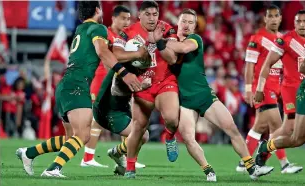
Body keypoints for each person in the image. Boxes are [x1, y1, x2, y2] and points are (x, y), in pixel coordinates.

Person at [16, 1, 141, 178]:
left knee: (71, 140)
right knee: (83, 135)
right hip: (77, 84)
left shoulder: (81, 29)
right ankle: (53, 169)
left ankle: (28, 153)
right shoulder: (98, 28)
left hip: (65, 84)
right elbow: (103, 52)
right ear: (98, 10)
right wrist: (124, 72)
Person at [152, 8, 274, 181]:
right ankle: (208, 170)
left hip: (204, 95)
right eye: (184, 21)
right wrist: (160, 43)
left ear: (194, 27)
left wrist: (159, 41)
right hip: (184, 100)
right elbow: (170, 57)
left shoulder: (195, 39)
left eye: (190, 22)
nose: (186, 25)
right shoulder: (169, 43)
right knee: (188, 138)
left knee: (231, 128)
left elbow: (184, 48)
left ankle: (251, 168)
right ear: (177, 23)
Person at [112, 1, 180, 178]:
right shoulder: (127, 33)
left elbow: (172, 59)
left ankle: (170, 136)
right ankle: (130, 167)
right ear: (139, 15)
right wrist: (137, 54)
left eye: (155, 14)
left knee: (172, 119)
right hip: (142, 85)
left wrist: (159, 43)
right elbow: (116, 55)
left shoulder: (166, 29)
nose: (152, 18)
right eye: (148, 14)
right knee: (139, 127)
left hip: (165, 81)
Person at [238, 5, 302, 174]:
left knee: (262, 127)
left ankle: (244, 161)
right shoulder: (257, 38)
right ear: (265, 19)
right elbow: (250, 66)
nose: (273, 19)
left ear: (281, 18)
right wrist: (249, 89)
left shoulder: (283, 38)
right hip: (264, 87)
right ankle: (281, 163)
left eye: (276, 16)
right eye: (270, 16)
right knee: (277, 124)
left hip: (278, 86)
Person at [81, 5, 146, 169]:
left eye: (129, 19)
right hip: (102, 80)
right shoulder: (105, 33)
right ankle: (88, 157)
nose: (126, 22)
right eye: (123, 18)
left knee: (127, 116)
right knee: (97, 119)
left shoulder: (125, 37)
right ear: (114, 18)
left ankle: (126, 155)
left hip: (120, 82)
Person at [254, 10, 305, 170]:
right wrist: (258, 88)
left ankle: (265, 150)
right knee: (291, 132)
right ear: (294, 23)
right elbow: (267, 64)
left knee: (288, 130)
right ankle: (265, 153)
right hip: (292, 90)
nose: (302, 25)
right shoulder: (286, 40)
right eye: (299, 21)